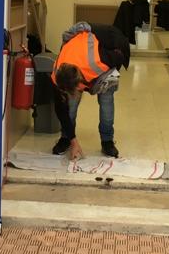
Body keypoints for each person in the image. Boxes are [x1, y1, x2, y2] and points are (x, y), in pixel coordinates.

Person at [51, 22, 130, 160]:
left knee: (106, 102)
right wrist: (73, 140)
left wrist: (106, 80)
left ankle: (107, 141)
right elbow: (60, 109)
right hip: (82, 56)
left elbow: (120, 55)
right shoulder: (57, 75)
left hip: (109, 51)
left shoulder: (99, 62)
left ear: (79, 84)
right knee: (70, 106)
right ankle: (66, 138)